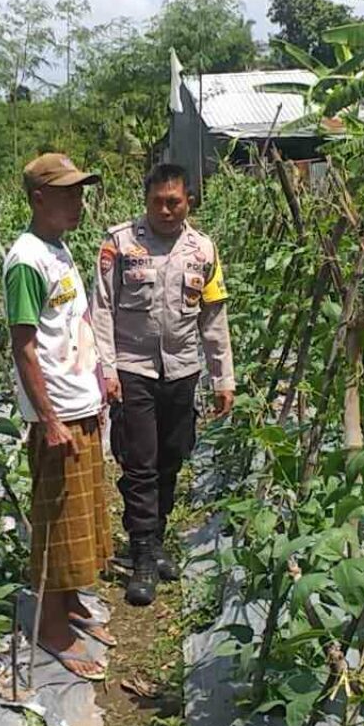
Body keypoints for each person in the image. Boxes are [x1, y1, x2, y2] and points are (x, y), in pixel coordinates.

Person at [92, 162, 235, 606]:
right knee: (140, 464)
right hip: (133, 368)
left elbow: (213, 318)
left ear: (188, 201)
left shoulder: (203, 250)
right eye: (157, 202)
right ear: (146, 202)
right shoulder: (120, 244)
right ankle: (141, 555)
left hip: (182, 369)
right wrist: (107, 371)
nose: (166, 210)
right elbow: (101, 309)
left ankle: (156, 539)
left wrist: (223, 378)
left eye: (174, 202)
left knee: (172, 456)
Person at [3, 152, 114, 680]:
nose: (79, 202)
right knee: (55, 525)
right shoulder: (27, 260)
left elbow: (72, 324)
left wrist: (101, 375)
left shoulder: (57, 248)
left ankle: (69, 605)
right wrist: (49, 420)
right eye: (68, 193)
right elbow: (24, 346)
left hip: (80, 401)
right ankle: (50, 627)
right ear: (39, 198)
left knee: (78, 519)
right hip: (60, 414)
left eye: (81, 192)